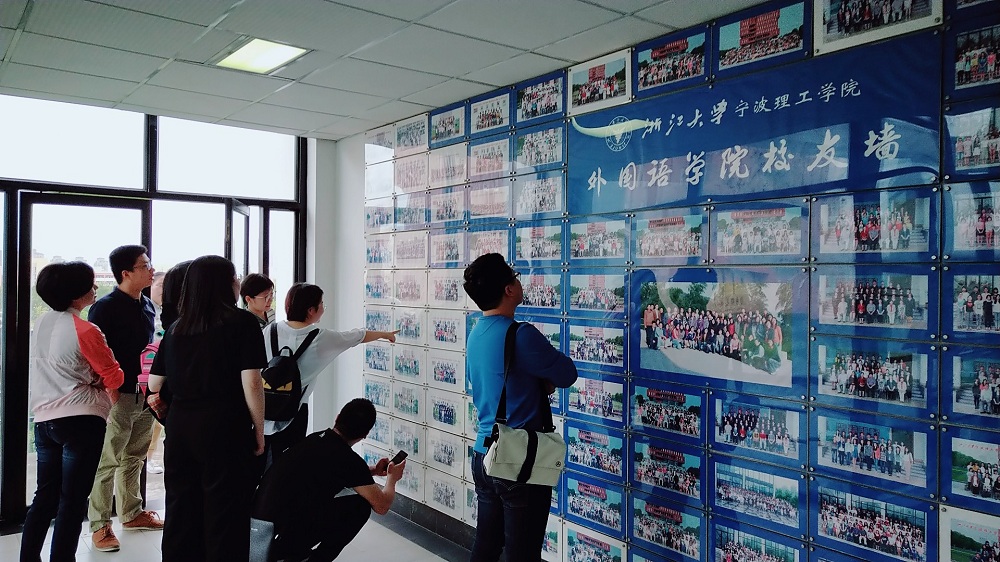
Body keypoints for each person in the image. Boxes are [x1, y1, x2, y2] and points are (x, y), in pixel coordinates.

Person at [147, 255, 267, 561]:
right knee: (225, 510)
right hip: (224, 425)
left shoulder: (176, 328)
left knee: (181, 507)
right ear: (225, 284)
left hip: (181, 428)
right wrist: (259, 430)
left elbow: (154, 383)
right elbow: (252, 383)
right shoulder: (243, 323)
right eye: (235, 277)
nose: (238, 282)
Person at [462, 253, 578, 562]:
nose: (518, 281)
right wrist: (543, 382)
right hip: (519, 461)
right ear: (509, 289)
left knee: (486, 547)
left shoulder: (477, 332)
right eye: (515, 277)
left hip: (484, 453)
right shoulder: (520, 334)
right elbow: (566, 374)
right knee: (522, 554)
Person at [20, 262, 124, 562]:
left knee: (45, 497)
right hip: (81, 420)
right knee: (73, 500)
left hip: (44, 421)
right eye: (90, 284)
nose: (95, 287)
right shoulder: (86, 330)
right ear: (76, 294)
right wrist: (95, 379)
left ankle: (28, 557)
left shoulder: (41, 323)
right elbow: (114, 376)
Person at [251, 398, 405, 562]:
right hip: (278, 541)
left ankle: (296, 553)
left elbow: (338, 472)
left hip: (256, 534)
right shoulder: (348, 460)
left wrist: (373, 470)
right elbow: (382, 506)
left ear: (337, 418)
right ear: (365, 435)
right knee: (360, 507)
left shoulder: (315, 439)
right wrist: (392, 478)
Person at [262, 282, 397, 468]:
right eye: (321, 304)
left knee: (262, 464)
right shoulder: (320, 338)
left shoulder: (269, 331)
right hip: (295, 412)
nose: (323, 308)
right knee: (289, 464)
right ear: (311, 310)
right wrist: (384, 334)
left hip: (263, 407)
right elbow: (357, 336)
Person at [87, 245, 161, 552]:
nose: (151, 270)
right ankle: (99, 524)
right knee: (108, 460)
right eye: (145, 266)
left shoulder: (148, 305)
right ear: (126, 273)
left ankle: (131, 513)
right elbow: (95, 356)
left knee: (135, 456)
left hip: (144, 393)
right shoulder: (103, 308)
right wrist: (112, 393)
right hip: (117, 395)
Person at [146, 271, 166, 474]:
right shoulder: (146, 310)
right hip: (147, 374)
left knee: (157, 425)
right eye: (160, 285)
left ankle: (149, 459)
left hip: (162, 374)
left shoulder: (168, 312)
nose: (164, 290)